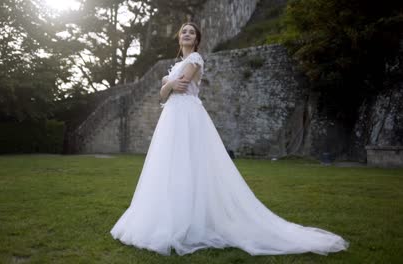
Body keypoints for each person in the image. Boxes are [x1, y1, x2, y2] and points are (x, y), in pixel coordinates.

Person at [110, 22, 350, 256]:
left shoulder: (195, 59)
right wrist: (167, 83)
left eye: (191, 32)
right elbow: (163, 92)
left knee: (190, 164)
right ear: (178, 37)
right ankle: (172, 217)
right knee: (170, 166)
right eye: (183, 31)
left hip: (187, 115)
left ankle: (192, 221)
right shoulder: (178, 63)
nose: (187, 34)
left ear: (196, 40)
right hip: (172, 117)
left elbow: (179, 85)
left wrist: (167, 82)